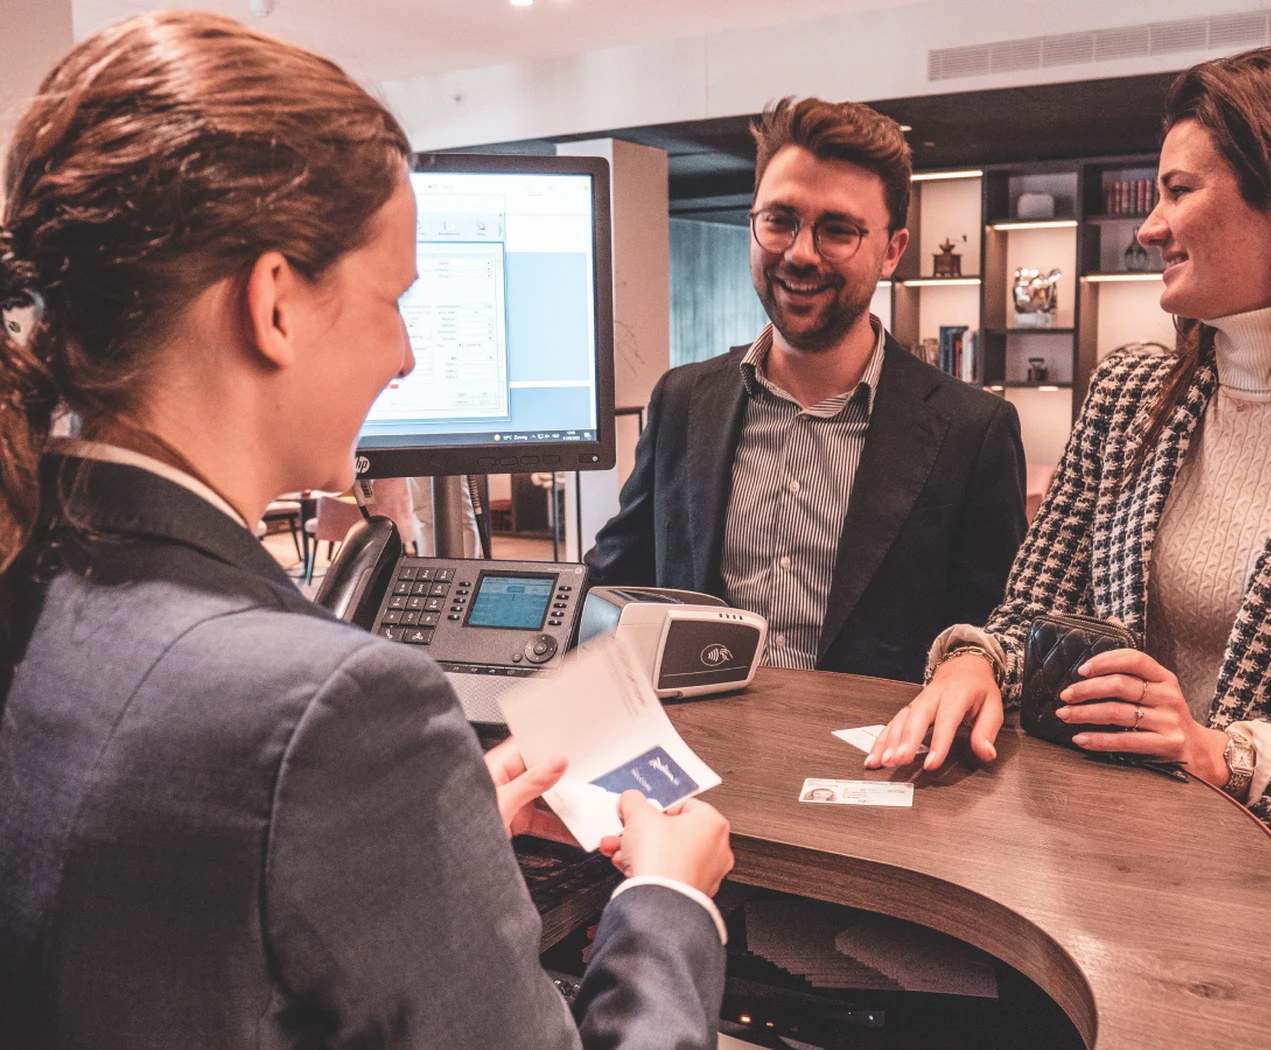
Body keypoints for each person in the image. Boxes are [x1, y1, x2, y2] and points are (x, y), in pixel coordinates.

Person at [0, 12, 732, 1048]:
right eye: (393, 300)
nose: (406, 359)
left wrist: (409, 840)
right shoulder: (334, 710)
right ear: (275, 305)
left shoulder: (32, 577)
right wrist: (668, 904)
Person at [868, 47, 1271, 1049]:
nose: (1146, 225)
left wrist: (1224, 754)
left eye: (1176, 191)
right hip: (1111, 898)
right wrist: (973, 662)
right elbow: (1025, 607)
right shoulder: (1128, 396)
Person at [586, 97, 1027, 684]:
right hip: (691, 753)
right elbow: (612, 584)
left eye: (837, 230)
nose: (799, 252)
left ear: (892, 250)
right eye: (780, 220)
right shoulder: (682, 401)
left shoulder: (974, 431)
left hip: (876, 764)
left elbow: (999, 635)